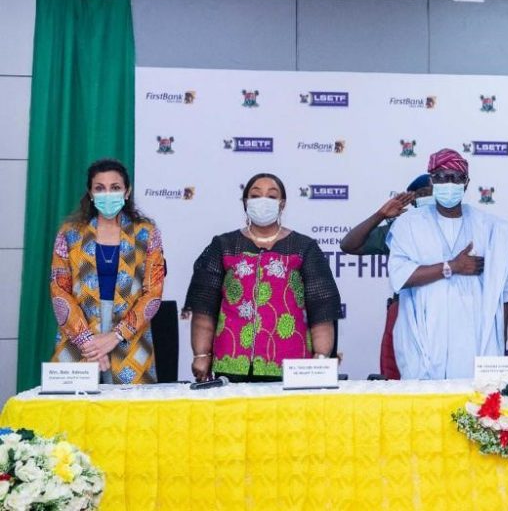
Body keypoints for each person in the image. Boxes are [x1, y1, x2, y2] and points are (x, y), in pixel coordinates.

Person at [185, 173, 340, 382]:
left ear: (282, 204)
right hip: (232, 359)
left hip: (291, 363)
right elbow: (205, 306)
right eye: (256, 196)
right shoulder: (223, 245)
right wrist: (201, 354)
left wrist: (321, 358)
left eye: (272, 196)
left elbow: (321, 306)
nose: (263, 201)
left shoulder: (304, 247)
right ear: (245, 202)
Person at [387, 149, 508, 379]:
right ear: (432, 180)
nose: (449, 183)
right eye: (441, 177)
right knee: (427, 398)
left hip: (476, 339)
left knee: (476, 398)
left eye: (456, 177)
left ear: (466, 183)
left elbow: (505, 290)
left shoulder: (490, 228)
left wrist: (500, 338)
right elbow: (400, 277)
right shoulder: (408, 225)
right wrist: (452, 266)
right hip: (425, 336)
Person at [50, 158, 165, 384]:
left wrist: (116, 336)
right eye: (100, 188)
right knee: (74, 404)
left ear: (127, 192)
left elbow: (153, 292)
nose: (107, 194)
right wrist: (88, 342)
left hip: (131, 336)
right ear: (90, 193)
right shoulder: (70, 234)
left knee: (129, 405)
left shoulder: (146, 233)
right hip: (79, 333)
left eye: (115, 187)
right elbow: (59, 290)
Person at [340, 174, 433, 379]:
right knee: (399, 379)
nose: (432, 197)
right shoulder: (400, 229)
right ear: (413, 201)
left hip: (451, 312)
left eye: (435, 192)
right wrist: (381, 214)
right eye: (424, 194)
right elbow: (349, 244)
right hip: (406, 312)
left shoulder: (465, 227)